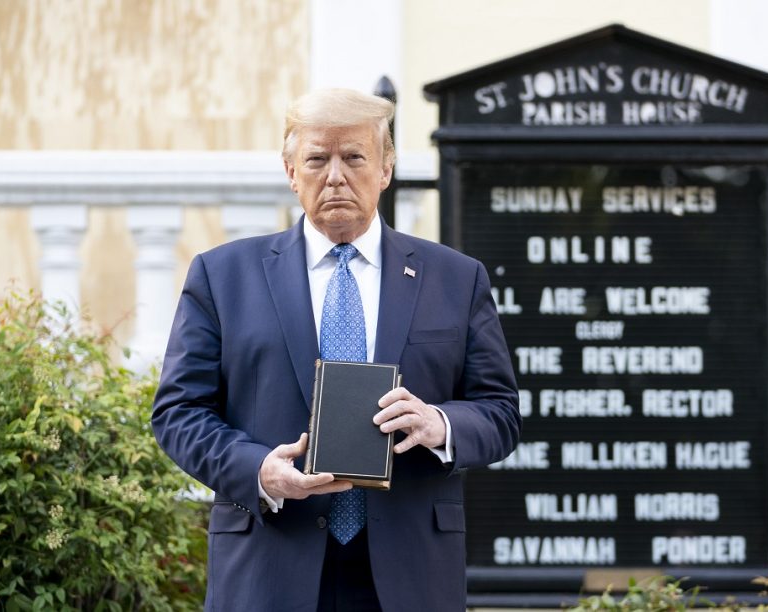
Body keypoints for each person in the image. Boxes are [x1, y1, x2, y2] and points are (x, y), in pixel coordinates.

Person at [152, 88, 521, 611]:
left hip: (409, 574)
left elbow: (501, 412)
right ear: (289, 171)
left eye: (354, 157)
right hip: (269, 566)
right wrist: (257, 470)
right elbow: (178, 412)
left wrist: (440, 423)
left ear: (386, 168)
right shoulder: (222, 276)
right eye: (317, 159)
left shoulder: (456, 279)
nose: (335, 176)